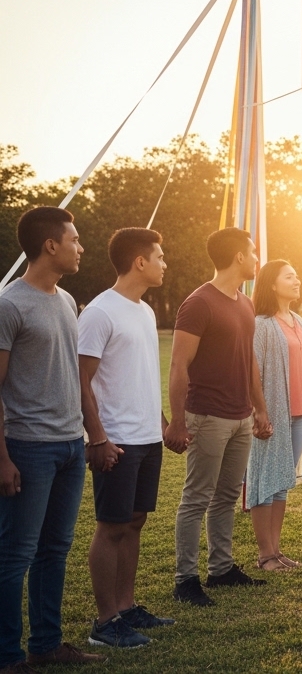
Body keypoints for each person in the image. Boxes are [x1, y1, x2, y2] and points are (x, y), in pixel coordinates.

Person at [0, 207, 103, 668]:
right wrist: (2, 457)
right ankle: (8, 654)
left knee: (55, 549)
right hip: (27, 448)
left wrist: (87, 436)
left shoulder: (66, 300)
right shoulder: (9, 305)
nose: (80, 247)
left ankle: (46, 646)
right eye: (75, 239)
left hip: (69, 445)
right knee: (15, 554)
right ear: (50, 245)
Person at [78, 228, 175, 649]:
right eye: (160, 256)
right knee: (111, 526)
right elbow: (81, 380)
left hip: (147, 437)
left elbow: (142, 375)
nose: (164, 263)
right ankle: (105, 623)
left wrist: (162, 423)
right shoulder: (100, 312)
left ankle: (127, 606)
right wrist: (97, 436)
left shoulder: (146, 311)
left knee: (134, 523)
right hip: (115, 438)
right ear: (140, 262)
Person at [168, 227, 270, 607]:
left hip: (241, 417)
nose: (257, 259)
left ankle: (222, 569)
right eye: (253, 252)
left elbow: (250, 362)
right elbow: (179, 366)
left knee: (226, 497)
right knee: (197, 498)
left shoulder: (244, 303)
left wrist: (259, 408)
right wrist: (177, 421)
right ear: (238, 257)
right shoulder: (199, 303)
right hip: (207, 417)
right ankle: (185, 579)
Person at [249, 260, 302, 570]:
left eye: (297, 274)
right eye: (289, 276)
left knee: (282, 482)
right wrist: (260, 412)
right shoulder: (261, 324)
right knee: (264, 482)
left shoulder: (297, 319)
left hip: (301, 414)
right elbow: (251, 370)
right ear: (273, 284)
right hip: (274, 416)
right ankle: (264, 555)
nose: (297, 280)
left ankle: (276, 551)